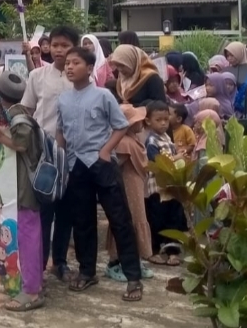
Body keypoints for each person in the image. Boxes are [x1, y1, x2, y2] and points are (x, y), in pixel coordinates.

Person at [59, 47, 143, 302]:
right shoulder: (62, 99)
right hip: (76, 165)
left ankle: (133, 278)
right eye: (68, 64)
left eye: (76, 63)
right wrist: (62, 157)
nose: (70, 67)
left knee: (119, 220)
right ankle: (87, 272)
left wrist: (106, 150)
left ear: (89, 67)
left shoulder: (104, 95)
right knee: (82, 221)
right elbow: (60, 131)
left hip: (101, 163)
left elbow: (120, 125)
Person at [21, 25, 78, 280]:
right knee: (43, 212)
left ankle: (61, 262)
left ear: (74, 48)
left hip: (73, 155)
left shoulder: (81, 79)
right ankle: (39, 265)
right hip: (44, 155)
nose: (59, 50)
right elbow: (26, 110)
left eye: (65, 45)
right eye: (55, 45)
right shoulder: (37, 77)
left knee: (66, 212)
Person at [0, 72, 44, 312]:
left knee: (28, 236)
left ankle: (31, 291)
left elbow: (21, 145)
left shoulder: (19, 120)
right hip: (18, 186)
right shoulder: (14, 114)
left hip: (25, 187)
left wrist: (1, 138)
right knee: (27, 235)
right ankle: (31, 282)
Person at [105, 104, 154, 282]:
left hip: (136, 187)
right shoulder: (124, 142)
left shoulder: (133, 139)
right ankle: (116, 262)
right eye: (136, 120)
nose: (141, 122)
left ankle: (134, 259)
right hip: (127, 188)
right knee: (128, 220)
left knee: (138, 218)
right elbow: (115, 165)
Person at [142, 101, 187, 266]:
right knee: (156, 220)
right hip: (157, 189)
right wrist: (177, 158)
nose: (163, 123)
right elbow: (158, 162)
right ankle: (154, 250)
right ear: (148, 121)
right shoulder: (151, 141)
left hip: (171, 187)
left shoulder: (167, 138)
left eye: (165, 120)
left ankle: (173, 252)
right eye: (158, 120)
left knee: (173, 219)